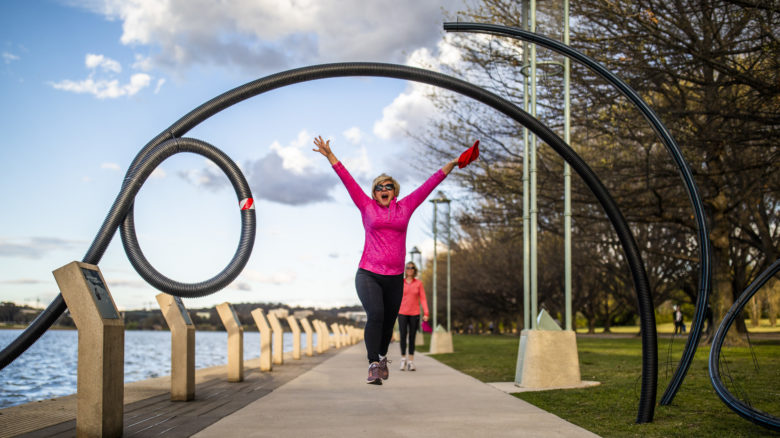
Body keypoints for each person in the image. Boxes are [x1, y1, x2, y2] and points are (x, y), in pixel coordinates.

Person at [313, 135, 463, 385]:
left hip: (395, 278)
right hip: (368, 273)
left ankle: (382, 358)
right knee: (376, 314)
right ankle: (373, 364)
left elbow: (430, 184)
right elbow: (347, 180)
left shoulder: (405, 207)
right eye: (379, 187)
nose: (383, 190)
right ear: (374, 193)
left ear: (395, 192)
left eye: (388, 187)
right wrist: (330, 156)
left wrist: (453, 163)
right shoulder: (366, 206)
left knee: (388, 324)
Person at [398, 261, 428, 372]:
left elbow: (423, 298)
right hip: (402, 313)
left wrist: (426, 313)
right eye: (408, 267)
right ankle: (402, 359)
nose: (410, 269)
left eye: (412, 268)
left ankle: (410, 361)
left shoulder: (418, 283)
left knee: (412, 337)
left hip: (415, 313)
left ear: (415, 270)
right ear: (405, 270)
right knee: (402, 336)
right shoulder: (401, 282)